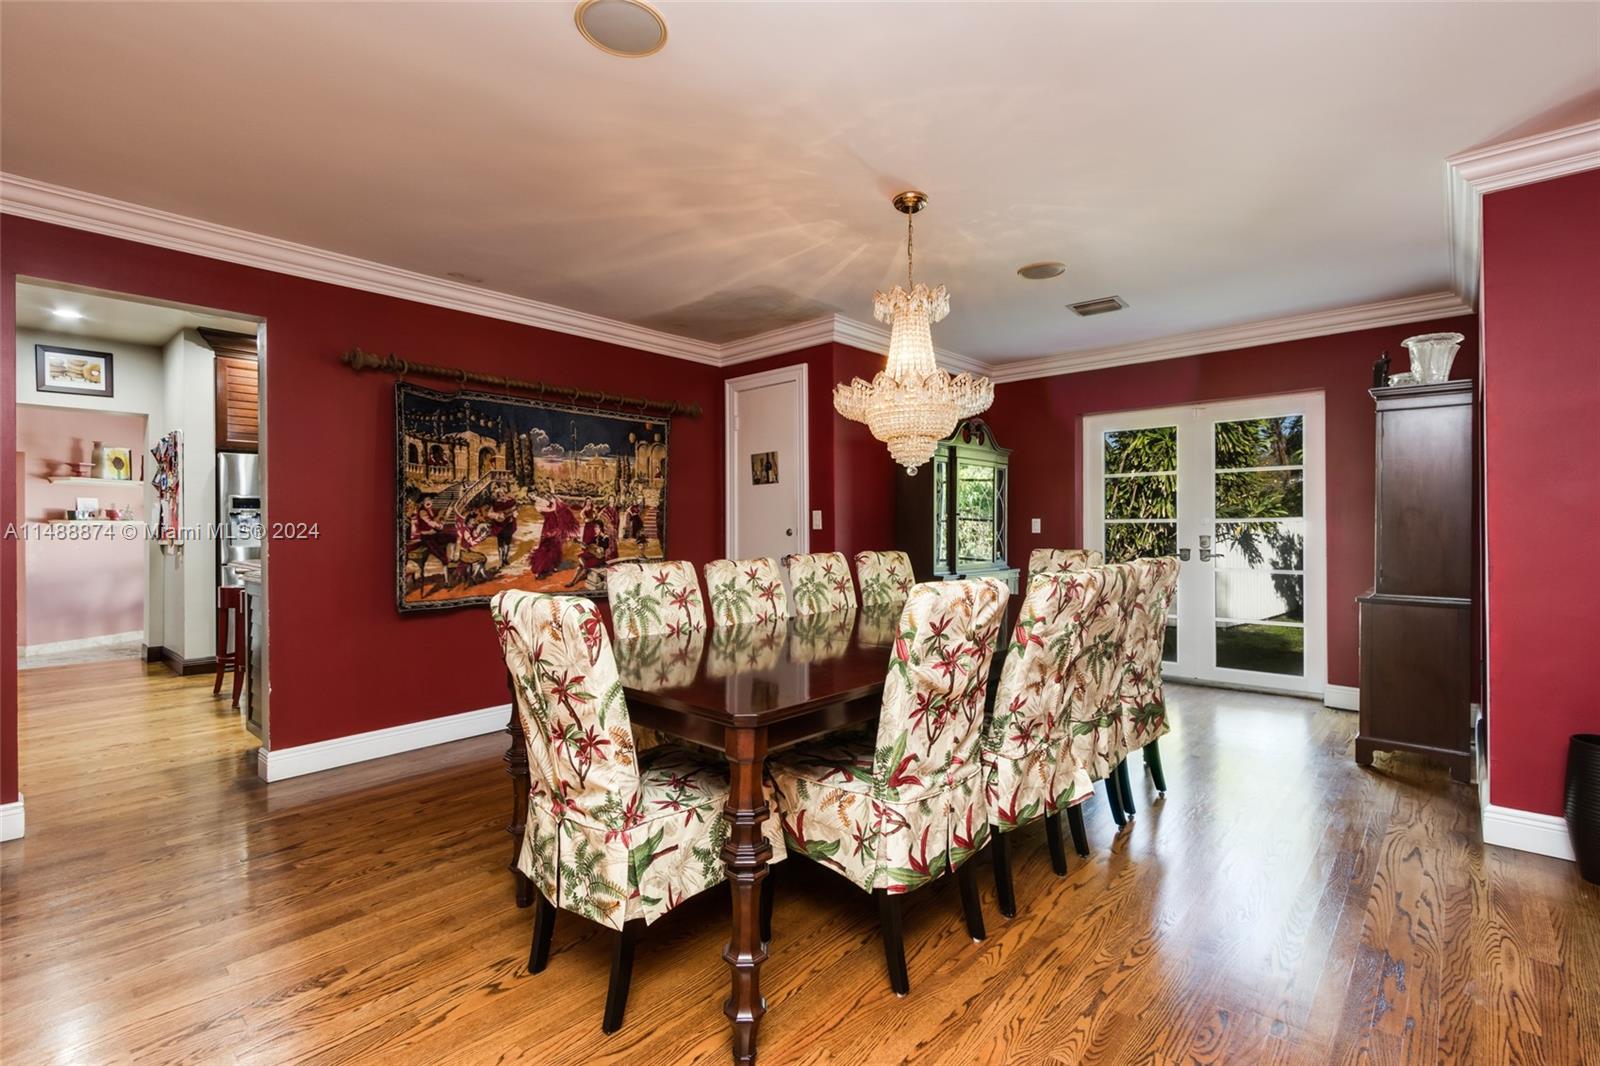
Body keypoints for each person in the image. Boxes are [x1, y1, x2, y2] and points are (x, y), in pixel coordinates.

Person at [529, 495, 577, 579]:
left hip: (556, 528)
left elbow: (559, 505)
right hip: (548, 529)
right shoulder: (538, 506)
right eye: (532, 497)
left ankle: (553, 566)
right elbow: (551, 509)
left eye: (534, 495)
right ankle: (540, 570)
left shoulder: (547, 503)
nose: (535, 497)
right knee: (545, 549)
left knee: (556, 548)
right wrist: (553, 501)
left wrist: (553, 498)